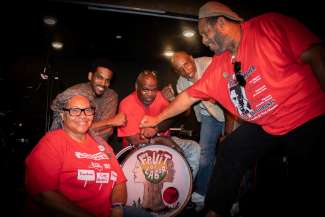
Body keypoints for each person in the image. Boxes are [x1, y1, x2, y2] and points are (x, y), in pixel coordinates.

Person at [140, 1, 325, 217]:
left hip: (305, 114)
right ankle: (215, 211)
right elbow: (188, 97)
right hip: (267, 124)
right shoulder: (219, 64)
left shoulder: (267, 26)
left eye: (205, 33)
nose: (204, 40)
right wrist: (155, 119)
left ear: (220, 22)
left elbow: (316, 55)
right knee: (230, 150)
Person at [169, 51, 230, 211]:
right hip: (208, 115)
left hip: (229, 110)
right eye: (180, 69)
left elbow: (229, 87)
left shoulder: (209, 63)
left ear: (191, 58)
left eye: (187, 64)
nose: (186, 70)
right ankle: (202, 192)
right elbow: (186, 111)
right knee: (204, 156)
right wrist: (172, 101)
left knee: (232, 153)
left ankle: (233, 197)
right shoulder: (181, 83)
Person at [117, 70, 201, 180]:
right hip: (138, 148)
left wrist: (172, 100)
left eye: (154, 90)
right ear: (137, 87)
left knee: (194, 148)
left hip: (166, 141)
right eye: (146, 90)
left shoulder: (162, 96)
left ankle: (185, 186)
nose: (150, 95)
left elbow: (186, 112)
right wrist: (166, 143)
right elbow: (135, 140)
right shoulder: (126, 104)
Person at [50, 58, 126, 141]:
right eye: (99, 78)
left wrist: (100, 126)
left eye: (107, 80)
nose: (103, 84)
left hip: (96, 146)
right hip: (64, 142)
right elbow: (74, 129)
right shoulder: (75, 92)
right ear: (90, 76)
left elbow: (107, 131)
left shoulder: (111, 96)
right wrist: (110, 122)